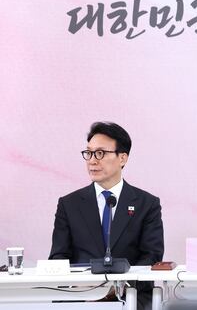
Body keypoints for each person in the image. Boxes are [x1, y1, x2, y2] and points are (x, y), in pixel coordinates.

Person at [49, 122, 164, 309]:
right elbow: (58, 257)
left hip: (130, 297)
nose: (92, 161)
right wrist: (81, 288)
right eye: (89, 153)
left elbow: (151, 257)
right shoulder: (69, 204)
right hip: (80, 297)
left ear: (122, 158)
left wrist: (117, 287)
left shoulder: (147, 204)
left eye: (100, 153)